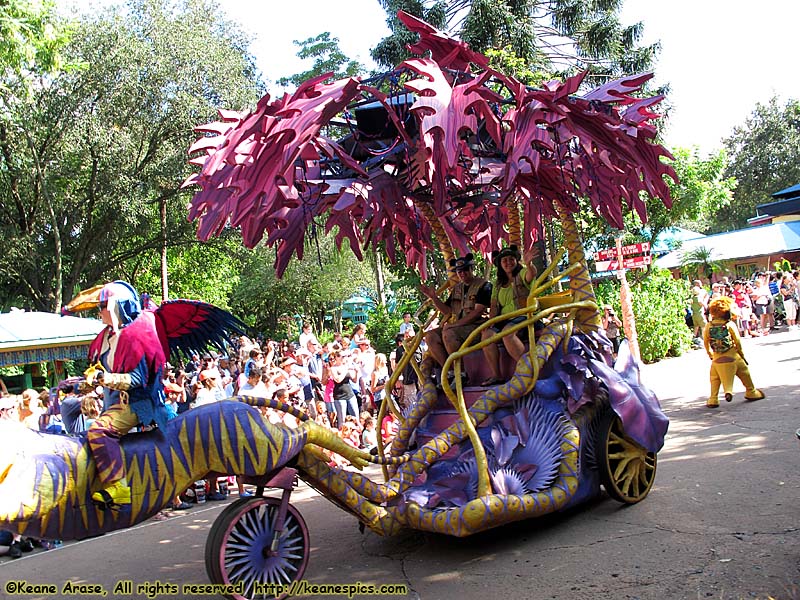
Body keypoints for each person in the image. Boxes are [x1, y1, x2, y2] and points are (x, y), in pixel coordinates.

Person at [84, 281, 172, 507]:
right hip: (113, 404)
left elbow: (137, 380)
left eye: (103, 305)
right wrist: (77, 385)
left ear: (116, 306)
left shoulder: (137, 335)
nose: (99, 310)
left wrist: (105, 379)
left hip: (136, 404)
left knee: (98, 431)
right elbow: (102, 375)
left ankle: (118, 486)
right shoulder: (105, 337)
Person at [420, 253, 492, 376]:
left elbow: (478, 312)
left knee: (449, 333)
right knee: (430, 336)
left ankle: (461, 374)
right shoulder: (457, 289)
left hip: (477, 328)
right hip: (458, 328)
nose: (462, 274)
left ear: (471, 269)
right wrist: (434, 297)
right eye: (459, 272)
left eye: (465, 270)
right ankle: (449, 373)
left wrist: (454, 325)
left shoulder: (484, 285)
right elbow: (448, 311)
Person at [480, 245, 538, 386]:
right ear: (500, 264)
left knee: (508, 332)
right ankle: (497, 375)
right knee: (486, 335)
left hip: (525, 315)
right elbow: (494, 306)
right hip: (504, 319)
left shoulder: (522, 273)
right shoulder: (498, 284)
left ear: (516, 261)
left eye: (511, 259)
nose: (508, 262)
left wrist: (529, 264)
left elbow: (531, 275)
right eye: (504, 260)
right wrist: (490, 322)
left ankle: (527, 371)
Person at [703, 295, 765, 408]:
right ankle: (751, 391)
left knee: (714, 378)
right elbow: (737, 342)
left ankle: (713, 398)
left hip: (717, 358)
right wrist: (741, 354)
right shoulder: (729, 325)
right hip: (732, 356)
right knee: (744, 372)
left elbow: (706, 342)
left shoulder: (708, 326)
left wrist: (710, 354)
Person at [328, 350, 359, 429]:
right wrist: (345, 369)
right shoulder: (333, 368)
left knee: (355, 416)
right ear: (337, 357)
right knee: (342, 419)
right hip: (339, 396)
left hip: (350, 393)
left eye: (345, 356)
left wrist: (356, 372)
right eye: (343, 357)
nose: (344, 358)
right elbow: (338, 380)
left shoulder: (346, 367)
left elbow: (354, 380)